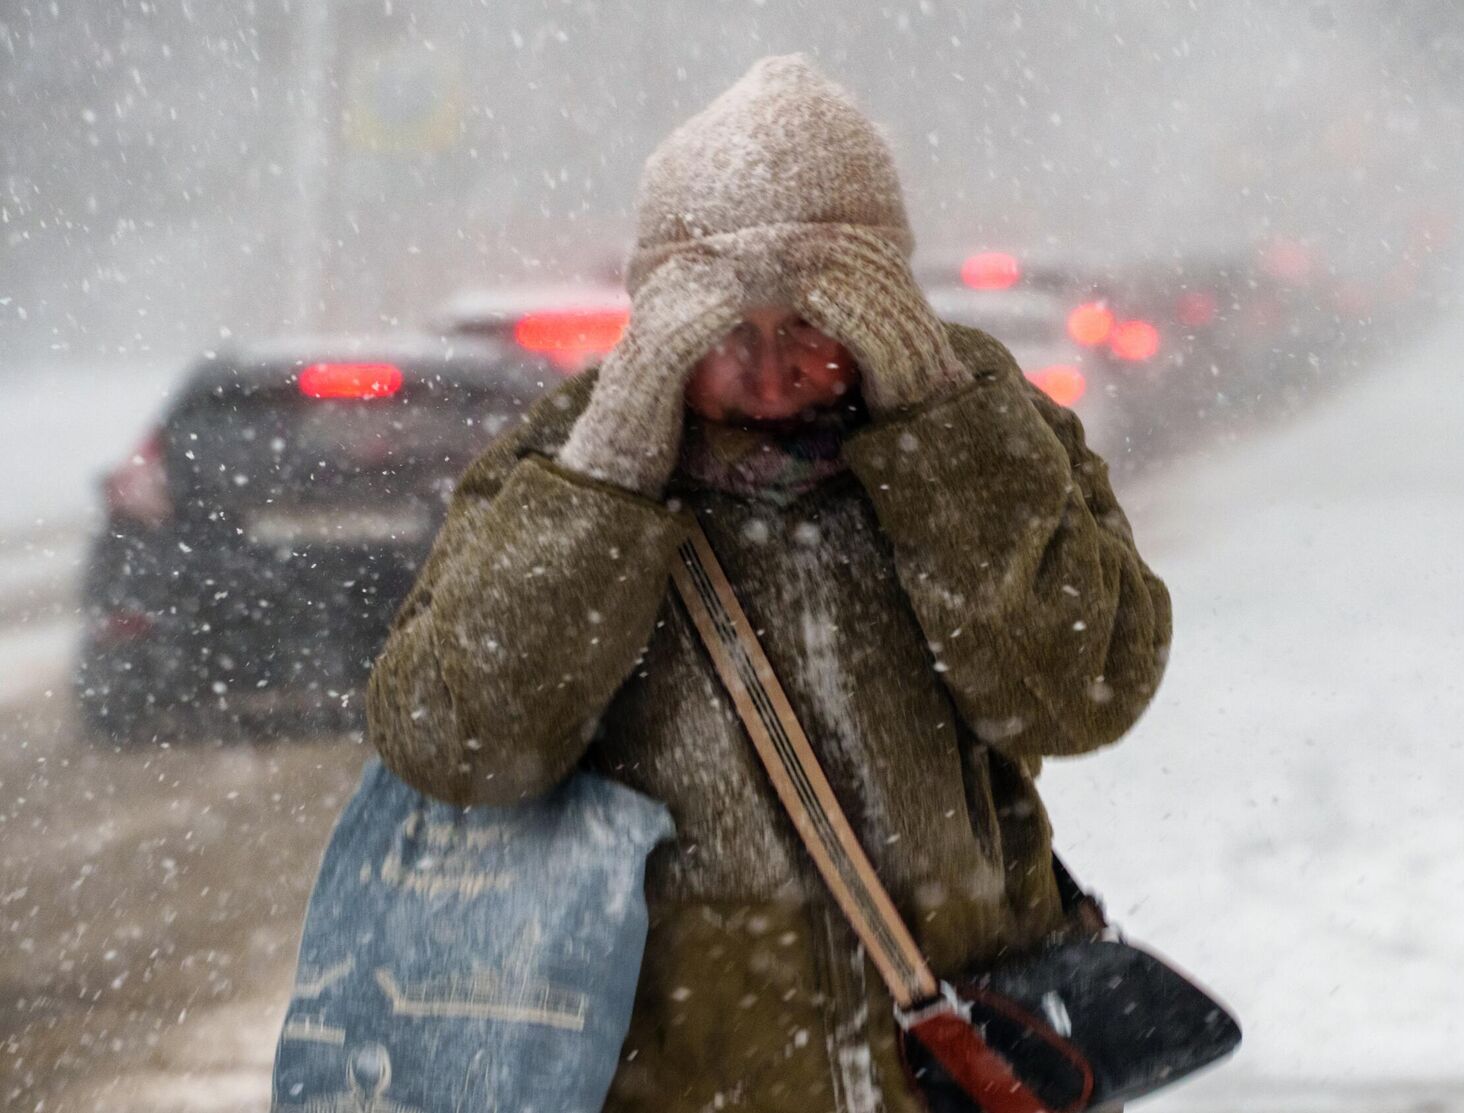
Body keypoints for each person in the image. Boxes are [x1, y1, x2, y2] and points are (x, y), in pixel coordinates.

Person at [367, 54, 1171, 1113]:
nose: (772, 370)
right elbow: (458, 746)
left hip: (948, 1069)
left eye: (810, 324)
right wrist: (607, 477)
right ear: (662, 320)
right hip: (669, 1078)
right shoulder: (566, 463)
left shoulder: (980, 430)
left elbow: (1079, 696)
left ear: (881, 303)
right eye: (726, 334)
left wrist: (938, 426)